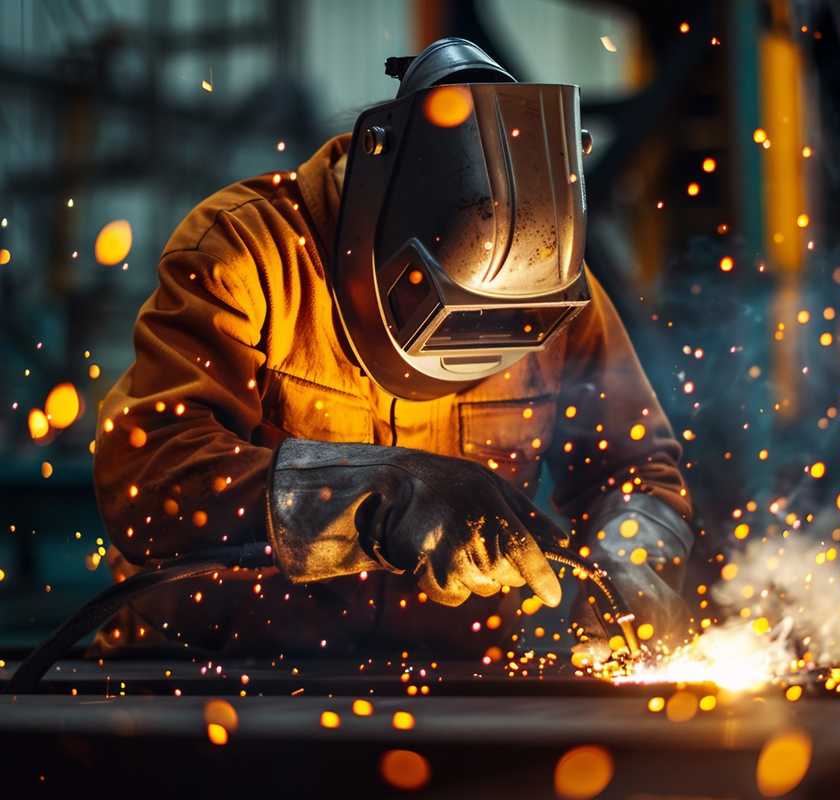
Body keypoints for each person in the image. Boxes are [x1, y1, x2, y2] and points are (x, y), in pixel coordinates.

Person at [92, 38, 693, 664]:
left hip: (450, 689)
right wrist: (379, 497)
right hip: (216, 679)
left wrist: (632, 562)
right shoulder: (250, 253)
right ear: (376, 214)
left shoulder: (554, 291)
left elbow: (637, 472)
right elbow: (150, 480)